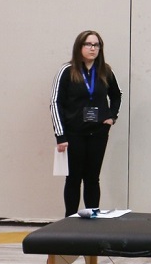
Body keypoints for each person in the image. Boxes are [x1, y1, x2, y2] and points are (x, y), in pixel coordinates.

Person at [50, 30, 122, 217]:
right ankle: (70, 219)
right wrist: (61, 135)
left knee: (92, 179)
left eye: (96, 45)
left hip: (98, 133)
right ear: (79, 47)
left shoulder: (105, 71)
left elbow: (116, 95)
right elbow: (55, 102)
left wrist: (111, 117)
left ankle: (92, 219)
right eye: (88, 44)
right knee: (73, 178)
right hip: (73, 134)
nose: (93, 48)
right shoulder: (67, 71)